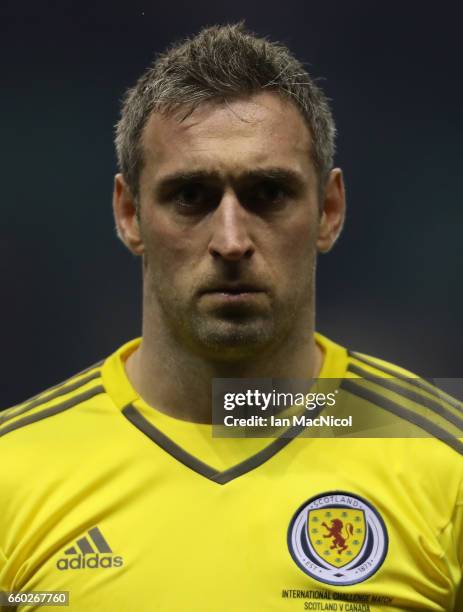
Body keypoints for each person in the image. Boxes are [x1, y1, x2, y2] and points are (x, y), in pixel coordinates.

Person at [1, 23, 462, 612]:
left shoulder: (446, 461)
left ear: (328, 209)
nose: (230, 239)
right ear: (129, 214)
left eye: (268, 192)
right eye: (190, 195)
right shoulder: (11, 473)